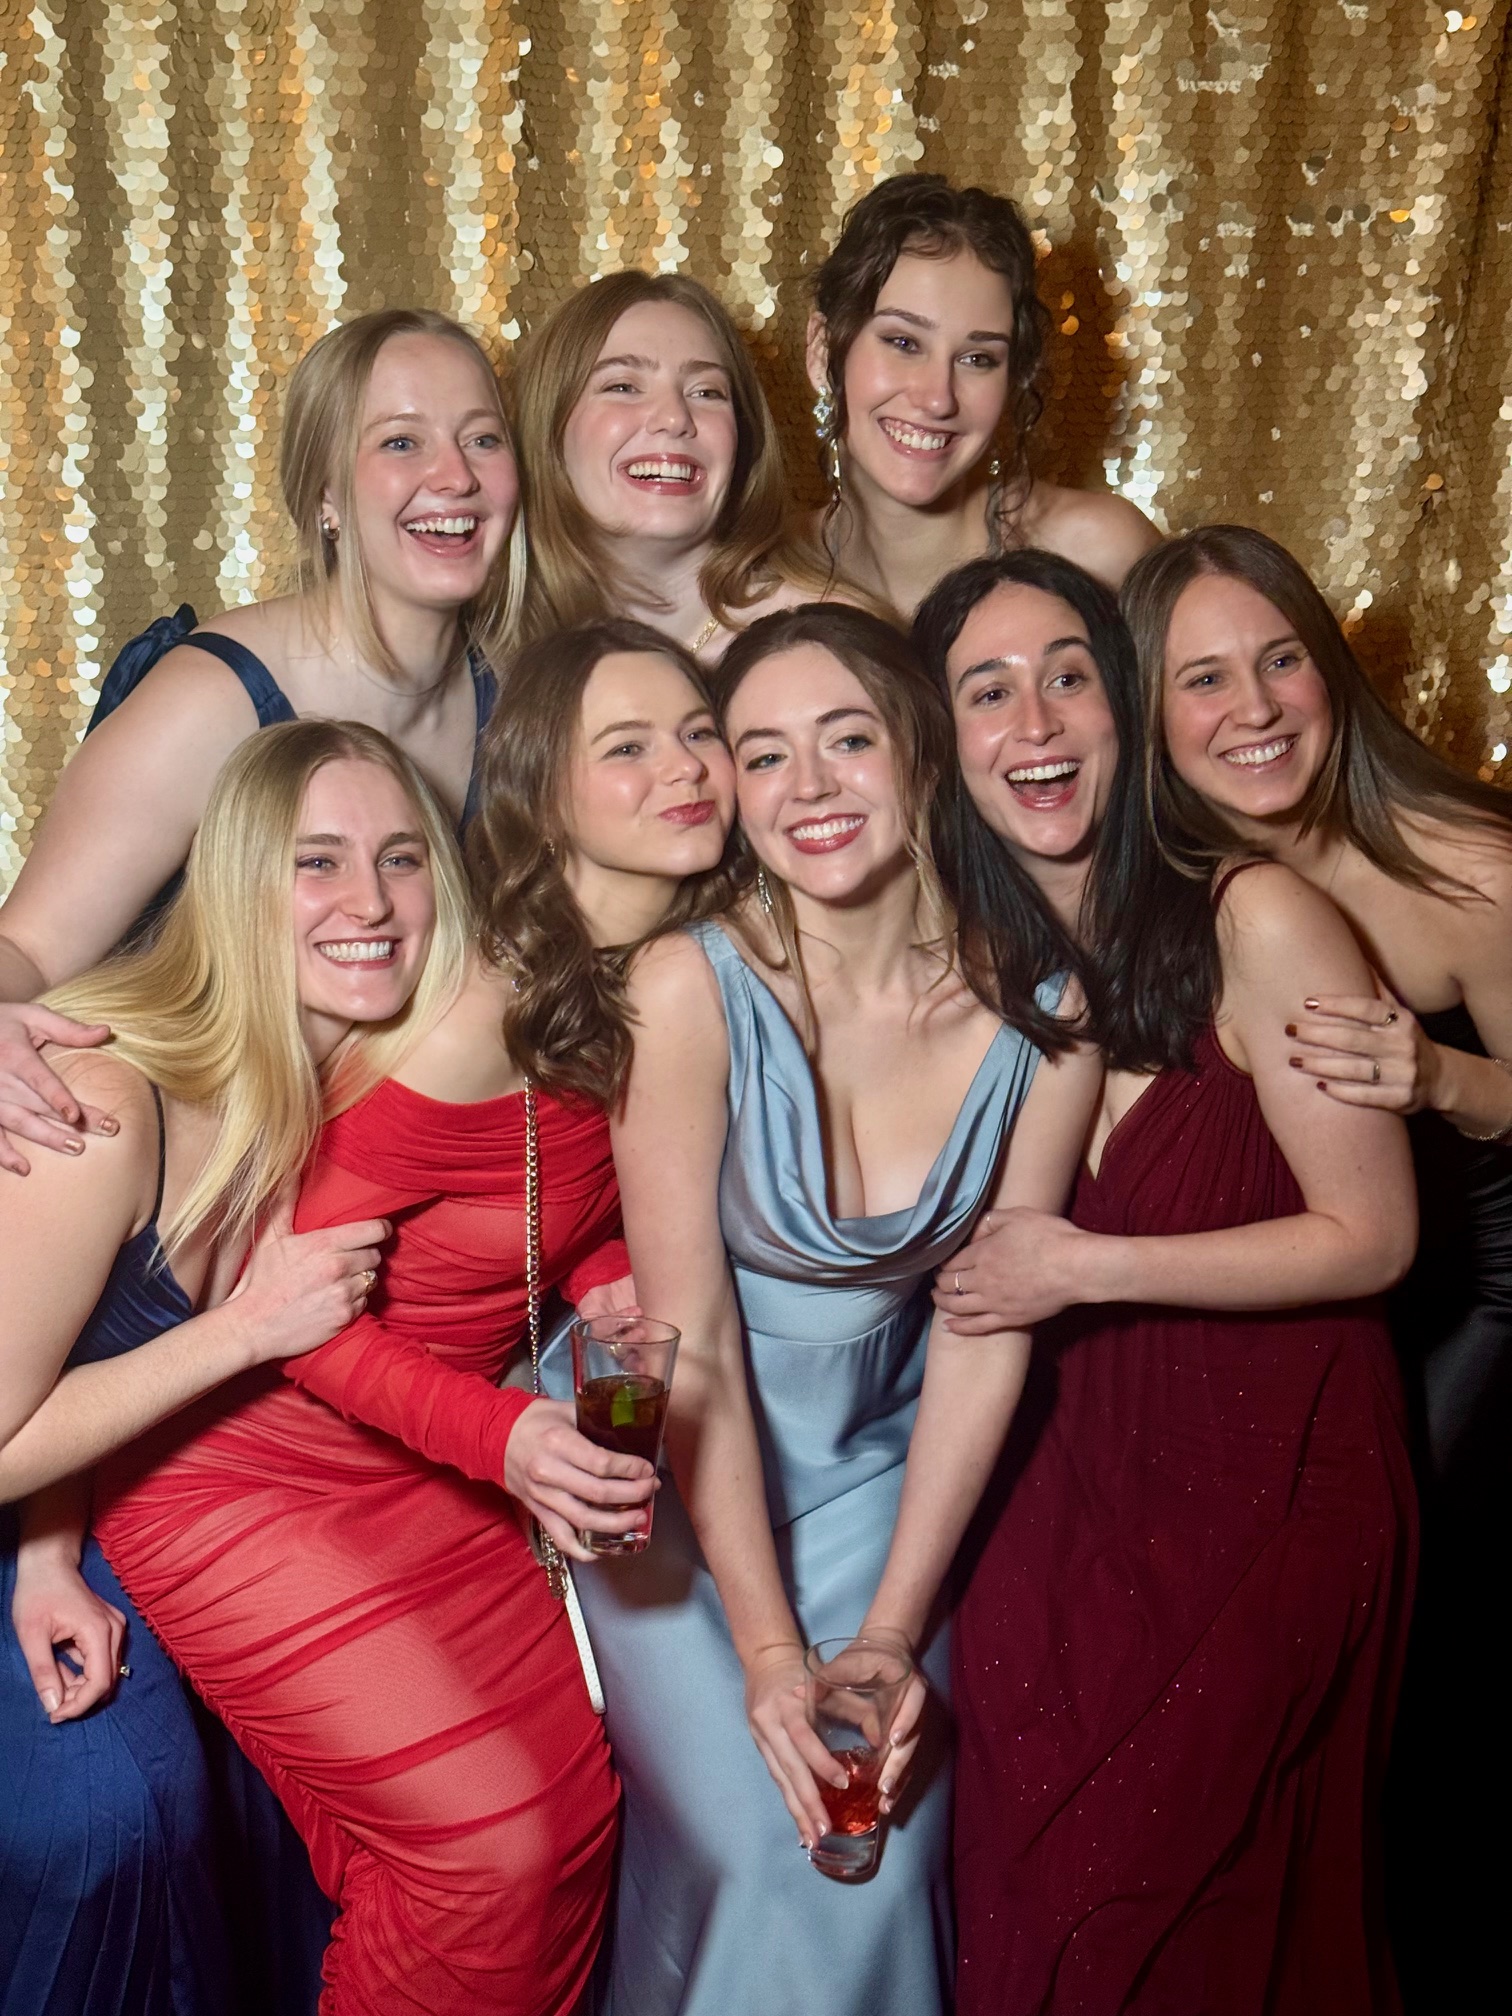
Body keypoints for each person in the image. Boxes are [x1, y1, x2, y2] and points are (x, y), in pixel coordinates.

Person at [91, 623, 738, 2016]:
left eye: (699, 735)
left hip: (426, 1460)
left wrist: (594, 1271)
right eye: (626, 745)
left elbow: (522, 1186)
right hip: (256, 1464)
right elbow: (295, 1311)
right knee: (486, 1845)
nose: (684, 768)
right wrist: (506, 1439)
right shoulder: (454, 1014)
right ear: (538, 790)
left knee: (567, 1817)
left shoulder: (644, 974)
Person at [549, 602, 1098, 2015]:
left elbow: (986, 1331)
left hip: (878, 1469)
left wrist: (892, 1630)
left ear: (918, 753)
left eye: (846, 740)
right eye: (764, 755)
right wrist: (775, 1655)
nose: (809, 792)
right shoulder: (690, 986)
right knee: (759, 1840)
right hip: (655, 1466)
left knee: (877, 1843)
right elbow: (691, 1346)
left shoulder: (1048, 1013)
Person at [910, 549, 1418, 2011]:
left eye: (1071, 676)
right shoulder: (979, 962)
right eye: (987, 693)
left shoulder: (1257, 917)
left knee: (1174, 1910)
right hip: (1064, 1493)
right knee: (1027, 1901)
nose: (1040, 721)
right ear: (942, 749)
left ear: (1124, 713)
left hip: (1282, 1477)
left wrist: (1085, 1263)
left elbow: (1373, 1236)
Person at [1, 718, 460, 2016]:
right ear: (238, 886)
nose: (369, 902)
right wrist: (245, 1330)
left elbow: (77, 1350)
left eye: (404, 858)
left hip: (64, 1501)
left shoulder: (325, 1085)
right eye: (316, 862)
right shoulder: (106, 1102)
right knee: (110, 1819)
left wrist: (50, 1547)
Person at [1120, 524, 1512, 2012]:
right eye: (1203, 680)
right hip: (1329, 1306)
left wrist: (1441, 1083)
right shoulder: (1176, 887)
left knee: (1413, 1692)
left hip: (1482, 1305)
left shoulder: (1467, 867)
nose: (1255, 707)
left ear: (1331, 670)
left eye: (1281, 659)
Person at [0, 306, 521, 1175]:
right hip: (169, 1178)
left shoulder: (514, 697)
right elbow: (26, 949)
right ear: (324, 496)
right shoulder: (211, 698)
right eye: (400, 443)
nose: (454, 476)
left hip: (351, 1182)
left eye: (483, 441)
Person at [805, 173, 1159, 616]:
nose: (938, 399)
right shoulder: (761, 581)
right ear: (822, 351)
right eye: (903, 343)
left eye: (977, 359)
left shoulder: (1100, 555)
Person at [512, 269, 833, 659]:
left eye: (706, 391)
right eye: (623, 386)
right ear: (549, 427)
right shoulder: (486, 645)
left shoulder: (827, 642)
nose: (675, 418)